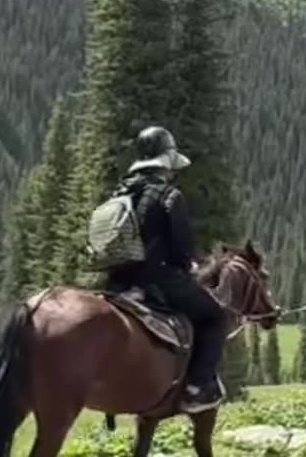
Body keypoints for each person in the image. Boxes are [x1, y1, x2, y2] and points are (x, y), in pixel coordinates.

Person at [104, 126, 227, 413]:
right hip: (157, 279)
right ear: (166, 162)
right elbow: (181, 250)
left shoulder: (121, 192)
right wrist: (190, 266)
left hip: (117, 282)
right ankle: (197, 388)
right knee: (214, 317)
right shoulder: (169, 196)